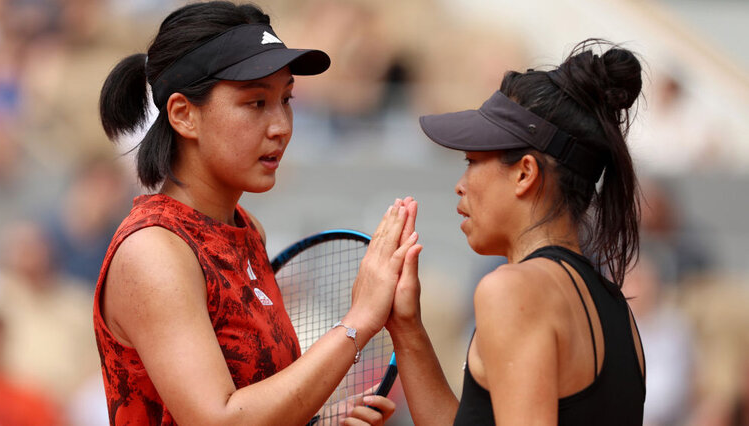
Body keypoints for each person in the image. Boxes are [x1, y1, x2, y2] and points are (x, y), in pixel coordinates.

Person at [95, 2, 414, 425]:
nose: (281, 125)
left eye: (286, 99)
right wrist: (359, 321)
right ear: (183, 115)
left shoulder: (248, 230)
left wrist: (318, 422)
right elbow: (220, 420)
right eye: (256, 103)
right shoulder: (153, 251)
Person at [387, 40, 646, 425]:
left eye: (472, 160)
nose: (460, 184)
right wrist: (406, 327)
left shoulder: (513, 290)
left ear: (525, 173)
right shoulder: (618, 310)